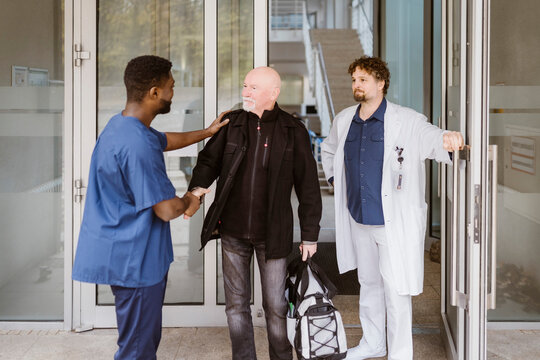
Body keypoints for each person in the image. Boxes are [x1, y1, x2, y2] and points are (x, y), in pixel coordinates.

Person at [72, 55, 228, 360]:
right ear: (154, 92)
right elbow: (166, 209)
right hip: (136, 261)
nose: (173, 93)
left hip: (127, 255)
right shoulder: (137, 144)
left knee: (137, 341)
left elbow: (166, 140)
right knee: (138, 348)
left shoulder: (123, 126)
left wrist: (207, 133)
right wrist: (191, 200)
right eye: (170, 87)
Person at [321, 56, 463, 360]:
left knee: (395, 289)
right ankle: (374, 343)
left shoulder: (406, 120)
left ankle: (400, 353)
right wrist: (337, 181)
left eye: (363, 80)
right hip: (358, 217)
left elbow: (429, 137)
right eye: (354, 80)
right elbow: (329, 149)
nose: (356, 85)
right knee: (368, 283)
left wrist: (446, 139)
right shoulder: (345, 119)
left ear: (381, 83)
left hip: (391, 222)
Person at [188, 66, 322, 360]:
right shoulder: (232, 124)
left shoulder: (293, 130)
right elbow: (208, 161)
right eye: (245, 86)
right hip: (233, 231)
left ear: (273, 93)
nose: (244, 92)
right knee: (236, 305)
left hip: (272, 235)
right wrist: (196, 189)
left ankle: (281, 357)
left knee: (275, 306)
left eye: (252, 88)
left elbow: (308, 186)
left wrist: (310, 235)